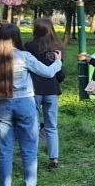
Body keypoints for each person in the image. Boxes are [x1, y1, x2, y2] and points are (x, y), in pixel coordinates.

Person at [0, 24, 61, 186]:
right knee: (29, 148)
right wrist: (58, 61)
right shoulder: (23, 56)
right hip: (25, 103)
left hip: (1, 105)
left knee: (4, 150)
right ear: (16, 37)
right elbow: (47, 73)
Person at [26, 19, 66, 169]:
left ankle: (32, 157)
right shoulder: (57, 48)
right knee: (51, 126)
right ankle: (54, 158)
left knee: (34, 126)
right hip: (52, 91)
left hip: (34, 90)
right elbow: (60, 73)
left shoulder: (29, 47)